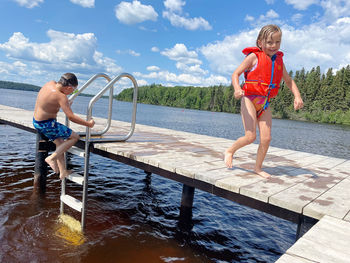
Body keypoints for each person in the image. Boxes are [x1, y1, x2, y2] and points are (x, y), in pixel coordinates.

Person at [224, 24, 304, 178]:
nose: (274, 46)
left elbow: (288, 81)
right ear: (260, 42)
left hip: (264, 103)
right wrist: (236, 88)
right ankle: (230, 151)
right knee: (250, 137)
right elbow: (236, 74)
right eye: (269, 42)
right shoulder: (254, 57)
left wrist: (297, 96)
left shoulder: (279, 61)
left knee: (266, 138)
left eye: (278, 42)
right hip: (249, 99)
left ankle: (258, 168)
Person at [33, 73, 95, 179]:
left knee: (60, 143)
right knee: (75, 137)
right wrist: (88, 124)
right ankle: (52, 158)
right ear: (69, 87)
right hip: (47, 124)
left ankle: (63, 172)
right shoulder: (61, 96)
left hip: (37, 121)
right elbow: (71, 117)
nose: (72, 93)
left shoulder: (50, 84)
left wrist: (65, 104)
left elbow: (49, 102)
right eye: (73, 90)